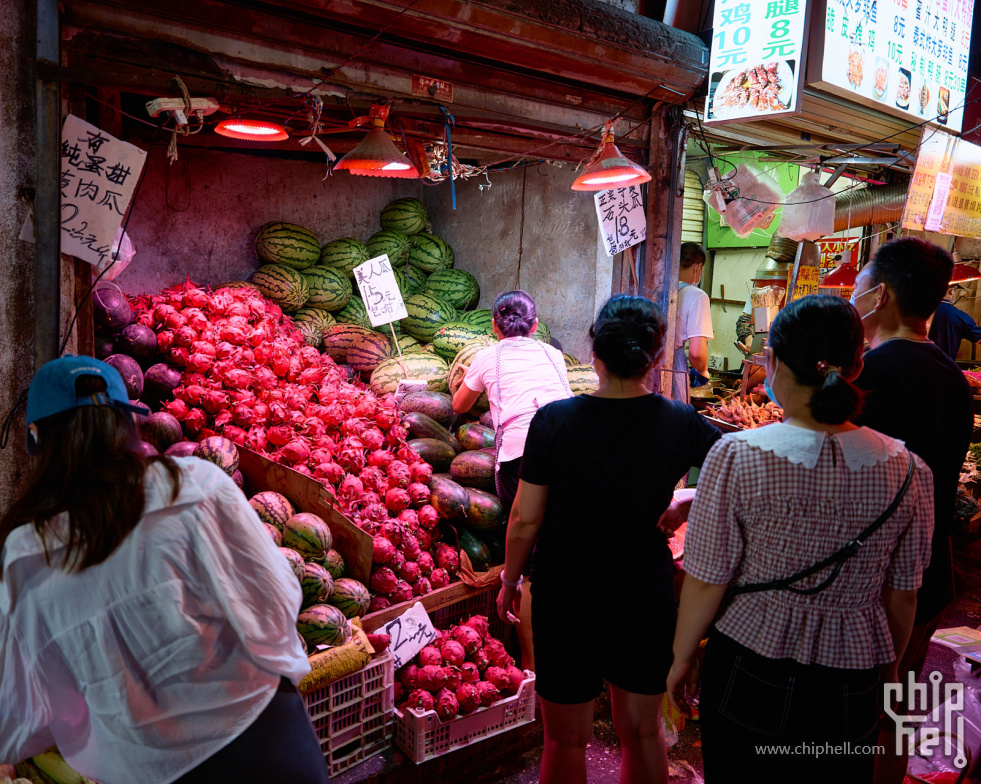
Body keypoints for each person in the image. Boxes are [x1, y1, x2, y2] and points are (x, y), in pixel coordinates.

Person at [0, 357, 325, 784]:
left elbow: (33, 703)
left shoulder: (26, 552)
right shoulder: (197, 486)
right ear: (129, 425)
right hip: (266, 741)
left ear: (37, 440)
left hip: (153, 768)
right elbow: (278, 597)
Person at [667, 294, 934, 784]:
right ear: (857, 365)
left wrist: (682, 658)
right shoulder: (909, 471)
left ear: (771, 362)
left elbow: (706, 581)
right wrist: (889, 673)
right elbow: (904, 594)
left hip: (750, 667)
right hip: (854, 677)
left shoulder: (736, 454)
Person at [497, 294, 721, 784]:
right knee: (642, 734)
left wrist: (510, 579)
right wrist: (690, 497)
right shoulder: (678, 421)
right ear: (656, 357)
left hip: (565, 593)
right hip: (643, 591)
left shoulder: (554, 420)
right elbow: (745, 468)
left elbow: (524, 520)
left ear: (593, 350)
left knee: (562, 738)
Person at [847, 238, 974, 784]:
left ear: (879, 296)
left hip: (873, 580)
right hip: (931, 571)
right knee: (895, 707)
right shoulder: (953, 376)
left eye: (857, 287)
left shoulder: (869, 375)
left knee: (852, 714)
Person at [452, 290, 571, 671]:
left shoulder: (488, 356)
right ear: (536, 326)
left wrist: (462, 380)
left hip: (522, 454)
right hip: (570, 451)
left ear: (493, 327)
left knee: (530, 564)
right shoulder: (553, 355)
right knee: (562, 548)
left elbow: (458, 406)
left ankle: (534, 668)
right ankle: (568, 656)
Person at [672, 242, 714, 402]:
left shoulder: (661, 288)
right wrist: (703, 372)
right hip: (672, 367)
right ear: (698, 268)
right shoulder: (697, 296)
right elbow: (696, 354)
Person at [928, 286, 981, 361]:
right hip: (943, 369)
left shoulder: (914, 310)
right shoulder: (959, 316)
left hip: (913, 369)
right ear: (952, 291)